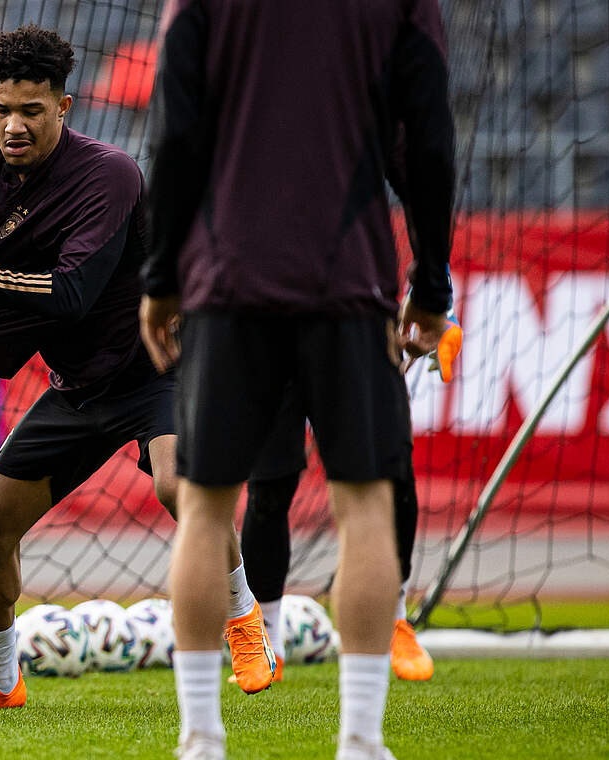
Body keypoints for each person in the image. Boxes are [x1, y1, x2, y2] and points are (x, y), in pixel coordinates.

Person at [0, 25, 276, 712]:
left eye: (30, 111)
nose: (12, 125)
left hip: (161, 364)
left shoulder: (109, 174)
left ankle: (243, 621)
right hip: (78, 385)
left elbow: (70, 296)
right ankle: (1, 683)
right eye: (1, 108)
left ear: (63, 108)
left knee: (179, 487)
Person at [138, 0, 455, 757]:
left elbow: (177, 134)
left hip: (228, 282)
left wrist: (162, 273)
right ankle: (360, 740)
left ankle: (201, 738)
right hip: (349, 283)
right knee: (366, 509)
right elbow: (430, 139)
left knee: (208, 510)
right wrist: (433, 280)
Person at [232, 317, 461, 687]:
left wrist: (437, 298)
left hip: (353, 321)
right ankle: (267, 639)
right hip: (273, 319)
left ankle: (395, 618)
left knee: (389, 474)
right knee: (269, 488)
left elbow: (426, 257)